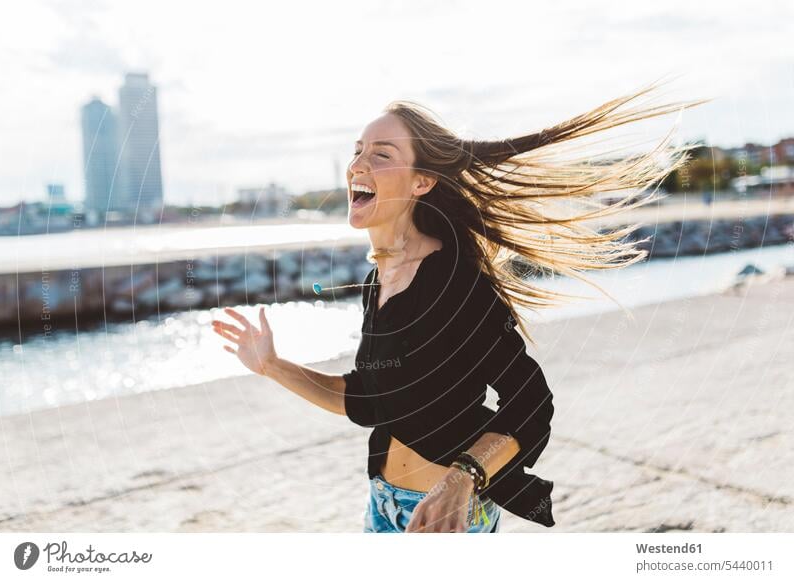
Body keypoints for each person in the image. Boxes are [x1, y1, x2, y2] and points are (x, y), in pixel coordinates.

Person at [211, 79, 706, 533]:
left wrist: (463, 478)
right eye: (357, 151)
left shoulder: (456, 284)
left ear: (422, 182)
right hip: (383, 504)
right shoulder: (377, 281)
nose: (358, 165)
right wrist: (273, 366)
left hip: (450, 514)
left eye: (381, 155)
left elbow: (531, 402)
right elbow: (364, 401)